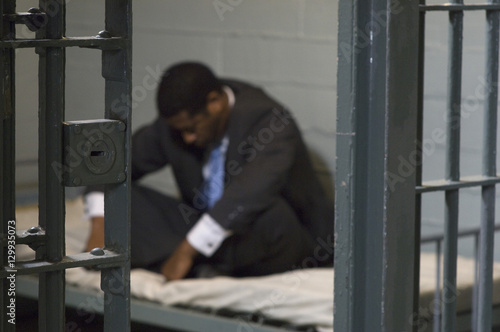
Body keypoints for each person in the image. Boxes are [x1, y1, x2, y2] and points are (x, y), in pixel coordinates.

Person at [84, 62, 334, 280]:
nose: (188, 138)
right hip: (212, 230)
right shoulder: (178, 126)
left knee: (271, 216)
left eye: (192, 128)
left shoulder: (270, 120)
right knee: (125, 200)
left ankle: (194, 264)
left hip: (275, 235)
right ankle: (204, 265)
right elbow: (114, 165)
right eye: (180, 131)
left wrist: (186, 250)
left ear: (215, 102)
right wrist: (100, 224)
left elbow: (249, 193)